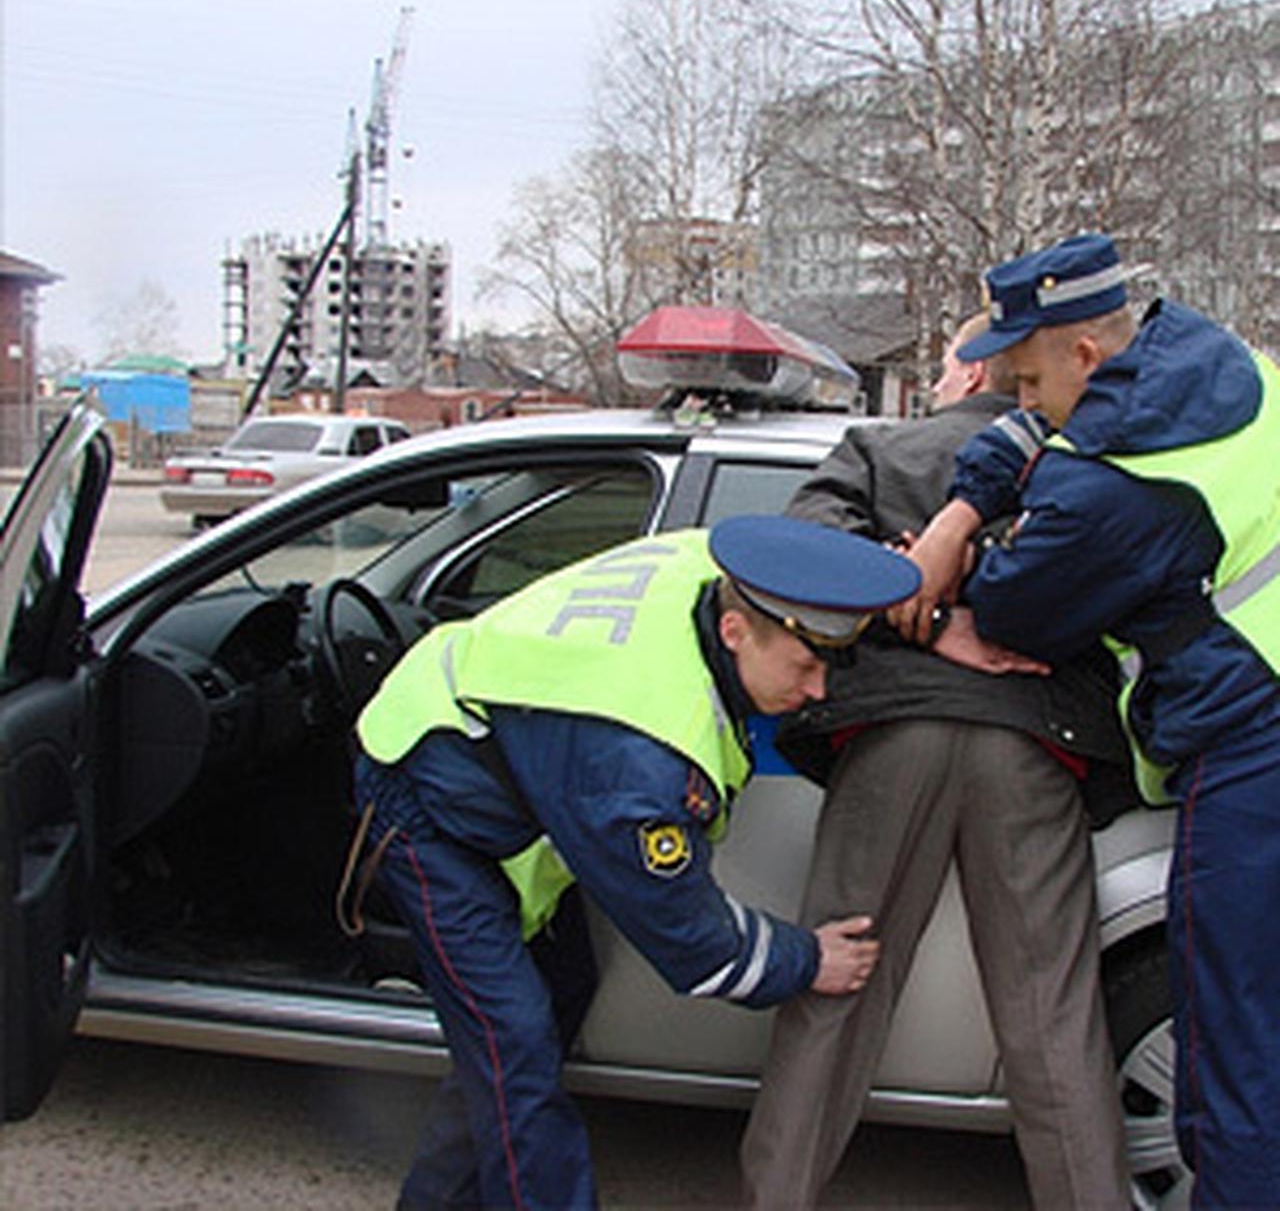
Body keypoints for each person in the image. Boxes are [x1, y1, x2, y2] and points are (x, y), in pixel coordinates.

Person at [349, 514, 922, 1211]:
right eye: (805, 668)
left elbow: (805, 573)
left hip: (512, 769)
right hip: (430, 807)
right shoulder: (638, 764)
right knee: (516, 1044)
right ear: (736, 633)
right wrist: (806, 960)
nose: (819, 691)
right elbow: (694, 945)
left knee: (542, 1012)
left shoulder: (715, 568)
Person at [896, 233, 1280, 1208]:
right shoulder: (1216, 363)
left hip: (1256, 746)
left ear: (1084, 357)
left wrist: (947, 564)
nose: (1018, 404)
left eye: (1025, 379)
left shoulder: (1105, 489)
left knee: (1234, 1042)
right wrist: (958, 512)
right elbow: (1052, 434)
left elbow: (1019, 611)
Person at [738, 315, 1133, 1210]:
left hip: (891, 736)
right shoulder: (1080, 466)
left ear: (963, 375)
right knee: (1054, 1019)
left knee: (836, 996)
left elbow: (804, 567)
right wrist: (976, 619)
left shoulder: (878, 448)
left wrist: (911, 611)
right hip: (1037, 749)